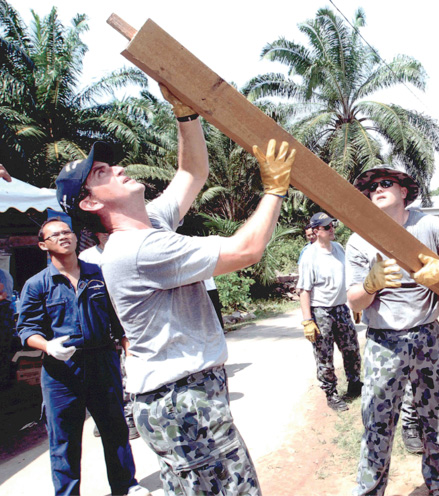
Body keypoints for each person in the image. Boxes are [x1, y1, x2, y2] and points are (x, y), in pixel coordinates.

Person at [56, 85, 296, 495]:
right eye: (101, 173)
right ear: (90, 204)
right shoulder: (139, 248)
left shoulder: (150, 225)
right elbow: (247, 249)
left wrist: (186, 114)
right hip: (182, 399)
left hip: (181, 399)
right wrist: (274, 190)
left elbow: (191, 173)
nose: (116, 169)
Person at [346, 165, 439, 496]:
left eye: (385, 183)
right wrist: (370, 284)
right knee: (377, 425)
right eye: (371, 186)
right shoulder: (358, 238)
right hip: (383, 341)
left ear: (404, 190)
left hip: (427, 335)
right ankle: (370, 491)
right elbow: (354, 299)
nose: (377, 189)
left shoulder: (428, 224)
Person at [17, 219, 147, 496]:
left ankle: (125, 486)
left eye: (67, 232)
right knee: (64, 438)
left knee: (115, 428)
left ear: (76, 238)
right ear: (43, 244)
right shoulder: (37, 284)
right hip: (61, 370)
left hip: (102, 361)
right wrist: (48, 346)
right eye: (55, 234)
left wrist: (127, 346)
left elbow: (117, 317)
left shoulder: (98, 275)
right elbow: (26, 330)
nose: (64, 236)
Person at [297, 211, 362, 413]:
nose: (332, 229)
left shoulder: (339, 249)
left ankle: (354, 384)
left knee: (351, 348)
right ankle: (331, 394)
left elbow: (349, 278)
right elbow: (304, 290)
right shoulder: (309, 256)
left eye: (332, 225)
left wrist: (355, 304)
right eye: (326, 227)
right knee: (325, 356)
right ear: (316, 231)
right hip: (321, 311)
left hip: (341, 308)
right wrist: (308, 320)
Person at [79, 232, 140, 441]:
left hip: (128, 316)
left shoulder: (129, 251)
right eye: (102, 230)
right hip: (101, 321)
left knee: (128, 369)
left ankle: (130, 415)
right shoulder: (87, 257)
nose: (107, 234)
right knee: (102, 374)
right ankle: (100, 418)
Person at [0, 268, 14, 390]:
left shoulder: (1, 274)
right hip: (5, 313)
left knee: (2, 352)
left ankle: (3, 383)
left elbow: (2, 294)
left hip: (3, 313)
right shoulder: (4, 273)